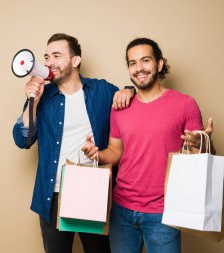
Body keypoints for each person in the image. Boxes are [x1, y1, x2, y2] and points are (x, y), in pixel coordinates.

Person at [82, 38, 214, 253]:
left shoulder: (185, 104)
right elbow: (116, 152)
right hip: (121, 210)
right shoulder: (119, 106)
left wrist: (202, 144)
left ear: (159, 64)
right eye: (132, 63)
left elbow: (199, 159)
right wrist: (97, 155)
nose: (139, 68)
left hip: (165, 212)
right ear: (128, 69)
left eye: (145, 60)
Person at [12, 33, 134, 253]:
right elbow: (23, 139)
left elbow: (133, 103)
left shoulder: (101, 91)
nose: (49, 63)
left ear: (75, 60)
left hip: (93, 192)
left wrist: (129, 89)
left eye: (57, 56)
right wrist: (33, 102)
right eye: (47, 57)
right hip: (53, 195)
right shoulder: (43, 96)